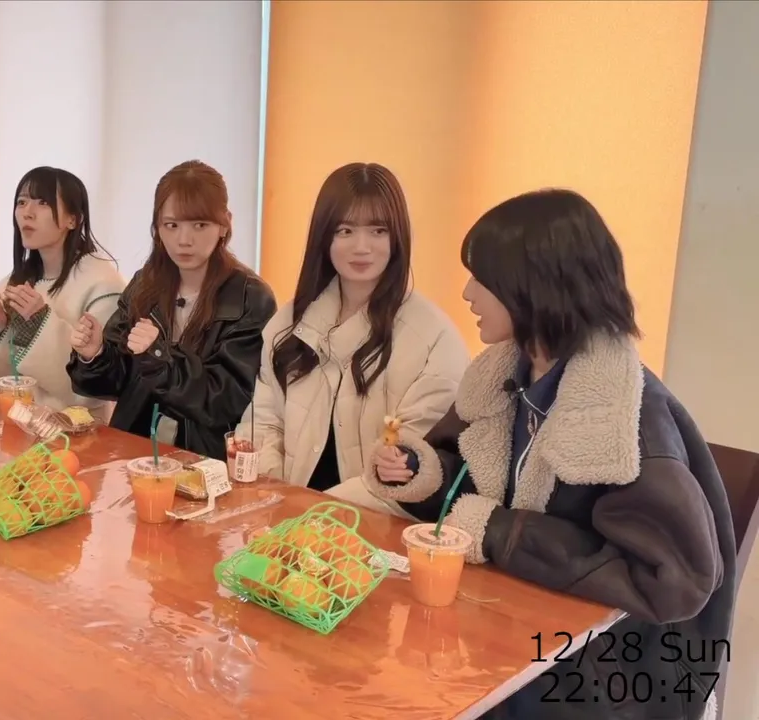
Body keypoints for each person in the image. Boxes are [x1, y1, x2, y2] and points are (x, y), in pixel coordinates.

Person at [363, 189, 734, 720]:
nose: (467, 293)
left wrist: (496, 531)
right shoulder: (503, 377)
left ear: (534, 286)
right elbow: (468, 486)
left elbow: (674, 579)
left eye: (482, 278)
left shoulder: (628, 416)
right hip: (500, 629)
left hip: (596, 678)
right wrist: (420, 473)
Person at [237, 163, 468, 516]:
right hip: (284, 519)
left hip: (372, 529)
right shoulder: (289, 323)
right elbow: (263, 423)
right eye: (345, 230)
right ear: (324, 236)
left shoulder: (435, 338)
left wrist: (314, 512)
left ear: (397, 237)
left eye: (378, 230)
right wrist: (279, 498)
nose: (362, 247)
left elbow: (412, 466)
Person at [67, 160, 277, 459]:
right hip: (135, 453)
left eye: (200, 225)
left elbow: (228, 400)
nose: (184, 240)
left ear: (224, 224)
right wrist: (95, 354)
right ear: (157, 227)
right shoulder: (145, 284)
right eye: (172, 225)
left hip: (205, 461)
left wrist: (158, 356)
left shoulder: (250, 297)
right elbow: (114, 383)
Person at [0, 166, 125, 416]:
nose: (27, 213)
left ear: (73, 219)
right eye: (21, 202)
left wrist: (38, 320)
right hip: (20, 421)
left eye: (43, 203)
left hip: (78, 429)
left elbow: (95, 390)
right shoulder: (15, 282)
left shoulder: (103, 283)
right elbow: (2, 383)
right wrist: (0, 324)